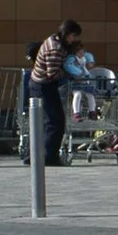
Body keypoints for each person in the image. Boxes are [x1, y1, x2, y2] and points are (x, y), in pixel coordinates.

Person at [26, 21, 80, 166]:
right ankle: (49, 157)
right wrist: (68, 72)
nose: (74, 40)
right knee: (55, 122)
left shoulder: (53, 40)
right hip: (43, 86)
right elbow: (52, 74)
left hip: (38, 83)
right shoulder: (55, 49)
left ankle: (31, 156)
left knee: (40, 122)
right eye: (73, 36)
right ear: (67, 34)